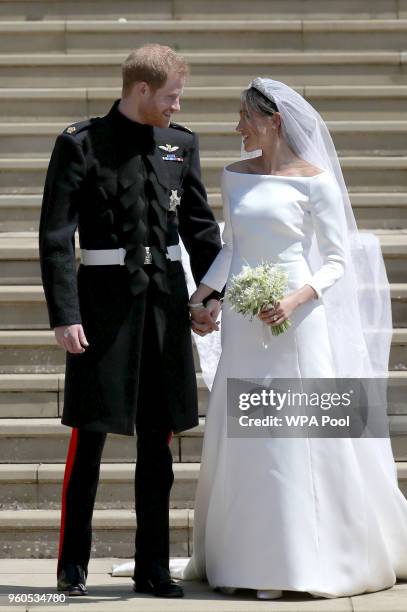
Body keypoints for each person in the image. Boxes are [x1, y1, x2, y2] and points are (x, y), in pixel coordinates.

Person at [176, 78, 407, 599]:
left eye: (244, 116)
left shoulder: (316, 182)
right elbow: (232, 247)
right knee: (247, 435)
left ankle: (312, 559)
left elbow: (338, 260)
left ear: (274, 121)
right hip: (247, 321)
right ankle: (248, 560)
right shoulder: (234, 176)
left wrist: (294, 299)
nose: (236, 126)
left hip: (296, 319)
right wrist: (202, 296)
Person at [38, 44, 223, 599]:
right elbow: (55, 237)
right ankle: (72, 567)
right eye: (170, 96)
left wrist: (211, 296)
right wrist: (64, 315)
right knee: (88, 441)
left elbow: (199, 228)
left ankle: (152, 567)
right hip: (100, 311)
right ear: (141, 90)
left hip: (164, 309)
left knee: (157, 445)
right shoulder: (80, 144)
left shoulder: (180, 143)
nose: (177, 105)